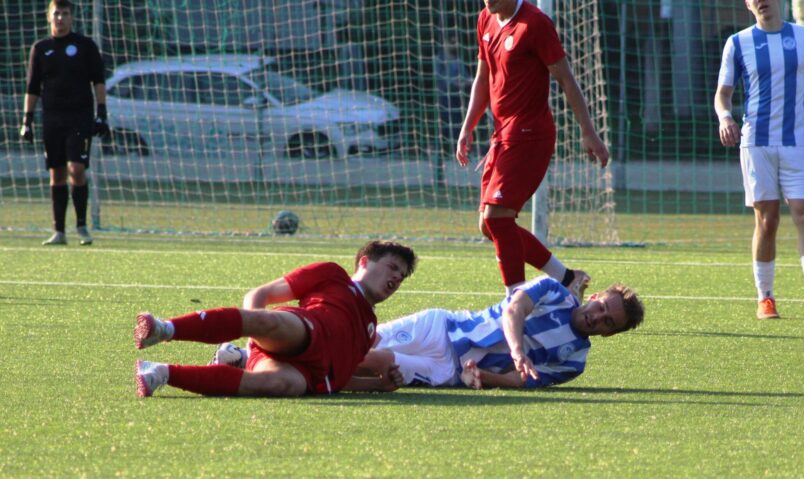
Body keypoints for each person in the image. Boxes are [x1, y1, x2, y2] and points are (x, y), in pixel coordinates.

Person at [213, 276, 645, 390]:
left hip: (449, 371)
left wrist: (485, 377)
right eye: (601, 307)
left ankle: (253, 365)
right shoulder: (552, 290)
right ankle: (249, 354)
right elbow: (515, 309)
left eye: (608, 322)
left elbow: (525, 381)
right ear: (595, 297)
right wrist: (517, 350)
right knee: (355, 343)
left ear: (610, 335)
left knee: (375, 364)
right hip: (442, 330)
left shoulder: (575, 361)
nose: (598, 317)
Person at [455, 0, 609, 299]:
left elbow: (566, 79)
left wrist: (588, 132)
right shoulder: (486, 19)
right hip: (502, 135)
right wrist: (467, 126)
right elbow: (483, 77)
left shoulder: (535, 23)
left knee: (497, 218)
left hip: (529, 135)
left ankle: (514, 301)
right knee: (489, 226)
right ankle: (568, 279)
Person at [134, 240, 418, 397]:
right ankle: (164, 329)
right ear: (364, 262)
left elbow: (339, 380)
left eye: (402, 276)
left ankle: (161, 372)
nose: (396, 277)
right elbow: (260, 294)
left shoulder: (369, 330)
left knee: (282, 385)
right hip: (306, 328)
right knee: (275, 323)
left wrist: (378, 385)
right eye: (393, 267)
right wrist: (254, 341)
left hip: (308, 374)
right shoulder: (333, 275)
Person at [714, 0, 804, 320]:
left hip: (798, 143)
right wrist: (725, 118)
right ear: (747, 3)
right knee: (767, 220)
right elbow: (723, 94)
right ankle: (765, 297)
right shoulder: (738, 43)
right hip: (757, 144)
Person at [21, 0, 110, 246]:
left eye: (65, 13)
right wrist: (27, 120)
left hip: (79, 118)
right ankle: (59, 231)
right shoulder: (40, 48)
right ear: (48, 17)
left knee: (77, 170)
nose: (60, 18)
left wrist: (102, 113)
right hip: (52, 119)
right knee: (57, 173)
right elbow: (32, 87)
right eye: (56, 13)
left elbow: (98, 81)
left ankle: (82, 226)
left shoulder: (85, 46)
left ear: (72, 17)